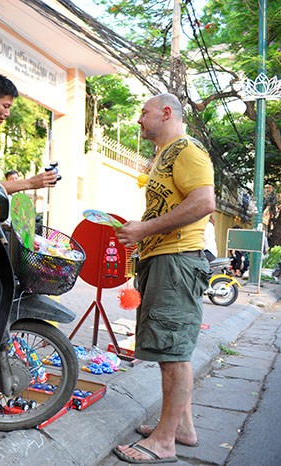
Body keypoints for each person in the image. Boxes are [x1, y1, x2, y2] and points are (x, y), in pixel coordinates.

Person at [113, 93, 215, 464]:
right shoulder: (165, 154)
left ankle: (165, 442)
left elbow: (204, 202)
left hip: (176, 263)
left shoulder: (187, 149)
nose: (139, 119)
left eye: (144, 112)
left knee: (174, 355)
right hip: (162, 261)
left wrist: (146, 229)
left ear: (166, 113)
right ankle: (182, 428)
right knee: (168, 352)